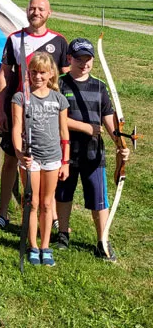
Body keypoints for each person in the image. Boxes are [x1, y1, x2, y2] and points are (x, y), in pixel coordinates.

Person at [0, 0, 70, 230]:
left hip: (48, 112)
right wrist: (1, 108)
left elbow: (65, 79)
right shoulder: (15, 39)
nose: (35, 12)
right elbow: (5, 73)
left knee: (51, 162)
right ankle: (3, 212)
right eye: (32, 8)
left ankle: (52, 213)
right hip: (19, 109)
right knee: (10, 160)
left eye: (41, 9)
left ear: (49, 13)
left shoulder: (59, 41)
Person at [56, 38, 130, 261]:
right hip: (66, 151)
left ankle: (102, 240)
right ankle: (62, 234)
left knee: (98, 197)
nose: (84, 64)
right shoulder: (59, 84)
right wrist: (87, 127)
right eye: (79, 59)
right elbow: (55, 118)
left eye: (88, 59)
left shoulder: (99, 86)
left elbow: (109, 120)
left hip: (93, 153)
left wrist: (120, 145)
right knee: (63, 194)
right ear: (69, 59)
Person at [11, 51, 70, 267]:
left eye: (42, 73)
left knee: (47, 203)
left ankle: (45, 246)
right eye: (34, 72)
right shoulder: (20, 97)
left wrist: (65, 161)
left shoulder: (59, 99)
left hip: (53, 158)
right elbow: (17, 128)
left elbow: (64, 133)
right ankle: (33, 245)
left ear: (51, 74)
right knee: (32, 202)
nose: (37, 76)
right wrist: (19, 154)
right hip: (30, 159)